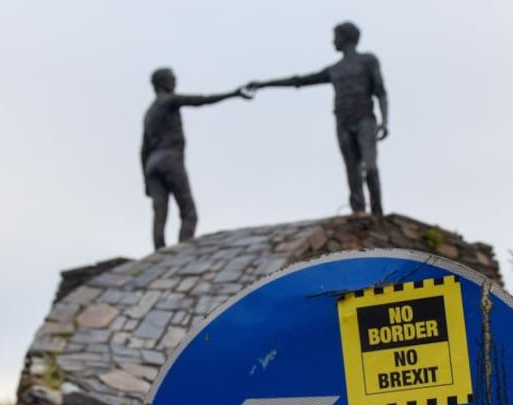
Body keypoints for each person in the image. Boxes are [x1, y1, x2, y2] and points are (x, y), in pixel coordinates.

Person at [248, 22, 388, 215]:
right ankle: (359, 215)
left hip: (365, 118)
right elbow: (299, 81)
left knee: (370, 167)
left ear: (345, 37)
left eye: (336, 36)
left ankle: (377, 214)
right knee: (352, 170)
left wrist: (385, 121)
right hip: (343, 121)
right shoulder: (334, 69)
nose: (333, 41)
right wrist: (264, 84)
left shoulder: (368, 60)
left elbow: (380, 91)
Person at [141, 68, 251, 250]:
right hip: (170, 158)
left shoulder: (149, 113)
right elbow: (201, 100)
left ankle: (158, 250)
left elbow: (143, 150)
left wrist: (146, 180)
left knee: (160, 211)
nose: (175, 82)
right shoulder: (168, 101)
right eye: (172, 79)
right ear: (163, 82)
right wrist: (233, 94)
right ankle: (182, 251)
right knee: (189, 212)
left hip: (152, 164)